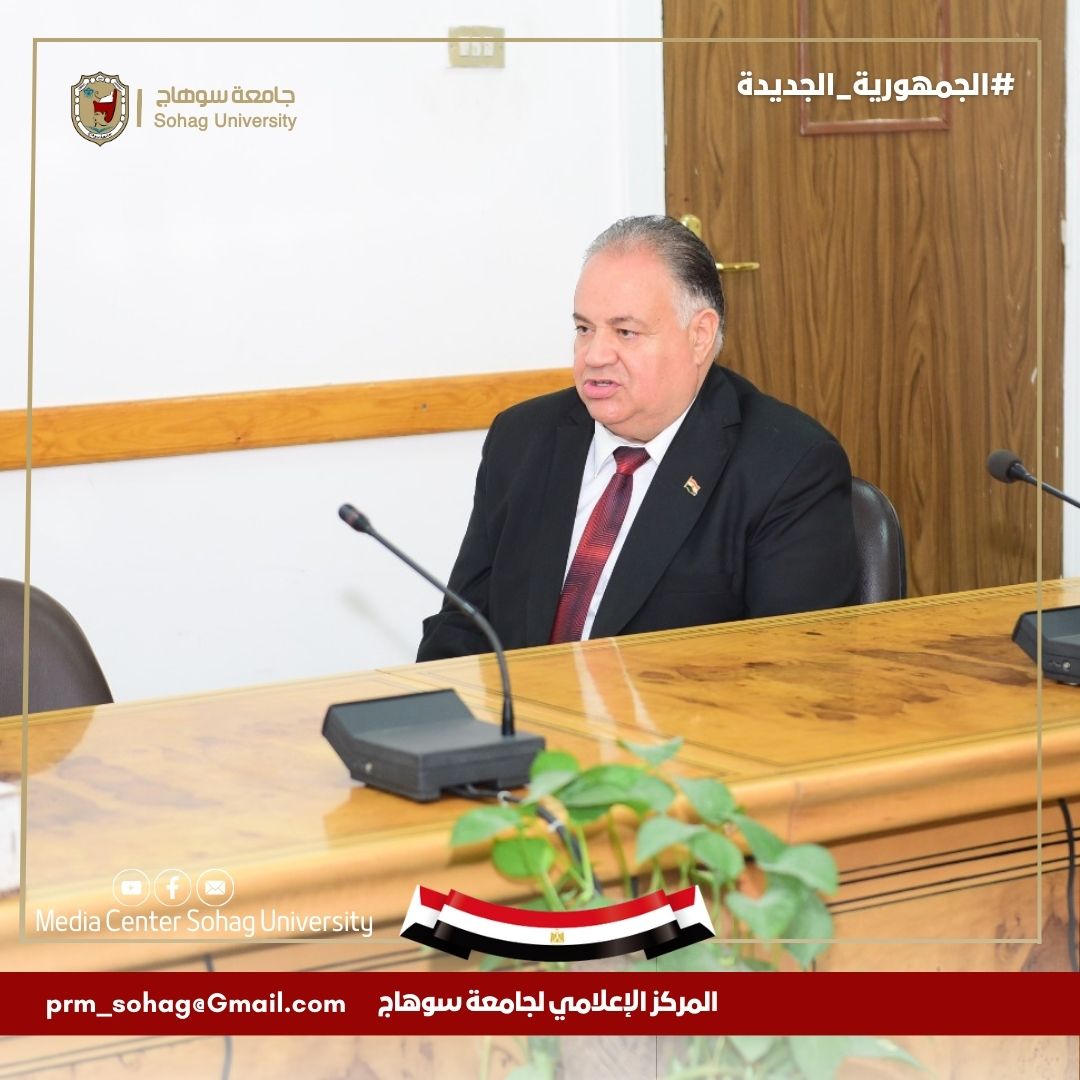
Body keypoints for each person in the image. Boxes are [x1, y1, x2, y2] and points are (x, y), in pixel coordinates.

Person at [417, 215, 857, 661]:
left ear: (700, 336)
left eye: (625, 332)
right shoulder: (522, 438)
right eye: (584, 329)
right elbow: (463, 624)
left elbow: (792, 670)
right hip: (520, 705)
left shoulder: (787, 468)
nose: (594, 355)